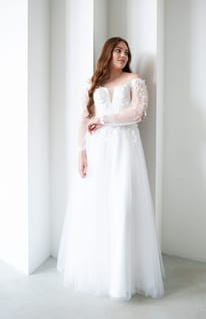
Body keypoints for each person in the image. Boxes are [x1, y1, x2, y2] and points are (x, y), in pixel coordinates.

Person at [57, 37, 165, 300]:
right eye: (118, 50)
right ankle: (100, 272)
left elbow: (137, 113)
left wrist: (104, 118)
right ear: (108, 52)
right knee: (97, 207)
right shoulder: (94, 83)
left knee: (123, 207)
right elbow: (83, 118)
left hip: (125, 152)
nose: (123, 55)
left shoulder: (135, 80)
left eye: (126, 52)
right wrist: (80, 151)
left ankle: (123, 278)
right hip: (97, 152)